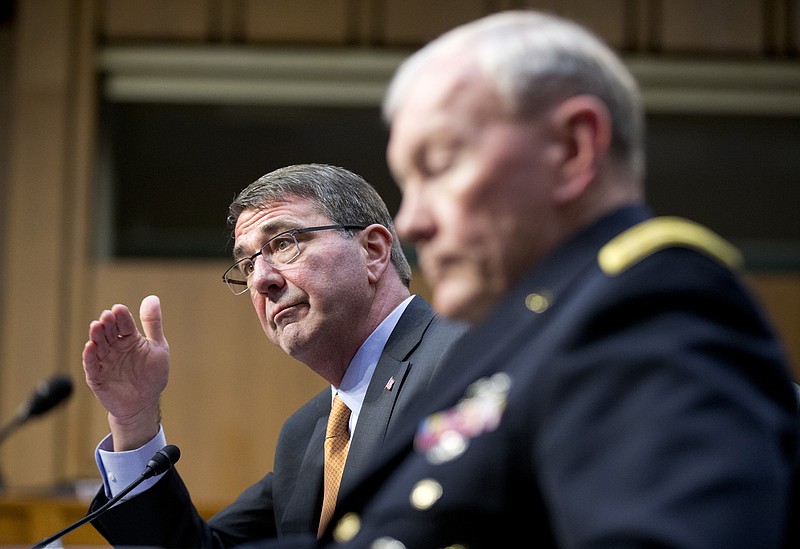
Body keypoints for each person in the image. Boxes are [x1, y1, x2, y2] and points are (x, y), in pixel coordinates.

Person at [297, 10, 799, 548]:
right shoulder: (513, 343)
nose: (412, 222)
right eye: (406, 182)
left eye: (439, 165)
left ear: (572, 149)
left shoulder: (650, 304)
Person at [81, 164, 466, 546]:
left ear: (373, 251)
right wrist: (134, 421)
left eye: (283, 243)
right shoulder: (305, 434)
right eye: (247, 265)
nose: (262, 280)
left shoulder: (462, 359)